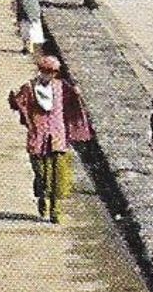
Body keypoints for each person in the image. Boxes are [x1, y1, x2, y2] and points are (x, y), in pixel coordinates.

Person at [7, 55, 93, 223]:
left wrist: (77, 94)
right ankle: (42, 197)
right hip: (38, 136)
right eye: (47, 71)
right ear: (41, 71)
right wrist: (15, 101)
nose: (50, 75)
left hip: (58, 136)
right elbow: (18, 103)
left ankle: (56, 210)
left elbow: (74, 102)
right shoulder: (29, 88)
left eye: (53, 72)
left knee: (58, 175)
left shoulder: (62, 87)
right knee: (42, 174)